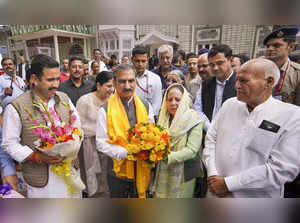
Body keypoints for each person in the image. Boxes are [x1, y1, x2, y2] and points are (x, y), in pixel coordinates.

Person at [203, 58, 300, 198]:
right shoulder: (229, 105)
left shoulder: (292, 116)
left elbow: (282, 169)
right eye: (237, 80)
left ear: (269, 81)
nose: (236, 86)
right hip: (215, 192)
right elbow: (211, 139)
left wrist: (229, 184)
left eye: (244, 81)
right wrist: (213, 174)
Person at [2, 54, 82, 198]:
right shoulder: (16, 107)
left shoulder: (63, 98)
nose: (56, 84)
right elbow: (9, 143)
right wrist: (36, 156)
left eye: (58, 79)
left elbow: (77, 125)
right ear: (34, 79)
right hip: (42, 182)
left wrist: (73, 148)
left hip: (69, 172)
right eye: (50, 80)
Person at [96, 64, 154, 198]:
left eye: (131, 81)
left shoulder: (146, 106)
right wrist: (125, 152)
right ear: (115, 83)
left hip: (142, 168)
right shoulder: (104, 110)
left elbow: (152, 134)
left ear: (136, 82)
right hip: (117, 172)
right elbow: (100, 143)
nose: (127, 86)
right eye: (122, 81)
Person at [263, 26, 300, 198]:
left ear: (290, 47)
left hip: (286, 137)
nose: (270, 49)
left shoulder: (297, 75)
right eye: (268, 46)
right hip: (262, 133)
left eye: (276, 45)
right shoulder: (259, 70)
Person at [153, 84, 204, 198]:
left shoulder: (194, 120)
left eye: (177, 99)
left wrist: (167, 157)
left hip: (185, 172)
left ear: (184, 100)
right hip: (163, 170)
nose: (173, 103)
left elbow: (192, 150)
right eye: (169, 99)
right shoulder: (162, 119)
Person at [76, 71, 114, 198]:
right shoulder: (85, 100)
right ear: (98, 85)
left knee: (107, 179)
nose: (112, 89)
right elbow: (77, 127)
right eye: (108, 86)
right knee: (92, 179)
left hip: (108, 147)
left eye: (113, 86)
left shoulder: (114, 100)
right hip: (89, 147)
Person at [193, 44, 236, 123]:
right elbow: (198, 109)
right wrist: (209, 129)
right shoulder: (206, 84)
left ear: (231, 60)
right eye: (212, 65)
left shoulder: (239, 83)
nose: (215, 68)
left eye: (219, 63)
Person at [132, 46, 162, 119]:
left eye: (143, 61)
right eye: (137, 61)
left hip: (148, 119)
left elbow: (157, 103)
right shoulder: (126, 77)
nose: (140, 64)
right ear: (132, 60)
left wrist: (149, 118)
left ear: (147, 60)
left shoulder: (155, 79)